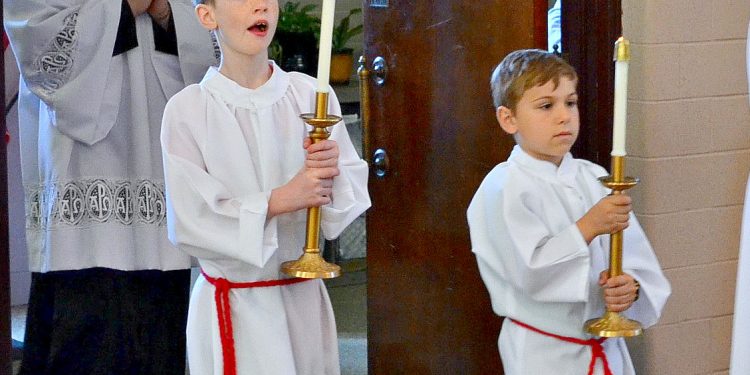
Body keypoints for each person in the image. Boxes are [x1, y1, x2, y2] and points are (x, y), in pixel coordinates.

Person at [4, 0, 217, 373]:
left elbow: (220, 28)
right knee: (83, 332)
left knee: (159, 326)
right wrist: (127, 6)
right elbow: (37, 32)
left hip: (161, 144)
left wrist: (167, 11)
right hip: (83, 164)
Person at [160, 0, 371, 374]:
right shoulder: (188, 110)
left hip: (302, 300)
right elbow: (191, 220)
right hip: (235, 307)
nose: (261, 6)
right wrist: (281, 199)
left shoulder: (311, 97)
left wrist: (330, 170)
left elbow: (340, 211)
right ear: (207, 16)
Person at [466, 49, 671, 375]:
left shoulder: (595, 177)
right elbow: (526, 273)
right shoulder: (503, 188)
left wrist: (629, 289)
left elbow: (638, 262)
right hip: (543, 354)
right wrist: (587, 227)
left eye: (570, 102)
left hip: (607, 350)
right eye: (546, 105)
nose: (564, 116)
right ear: (509, 119)